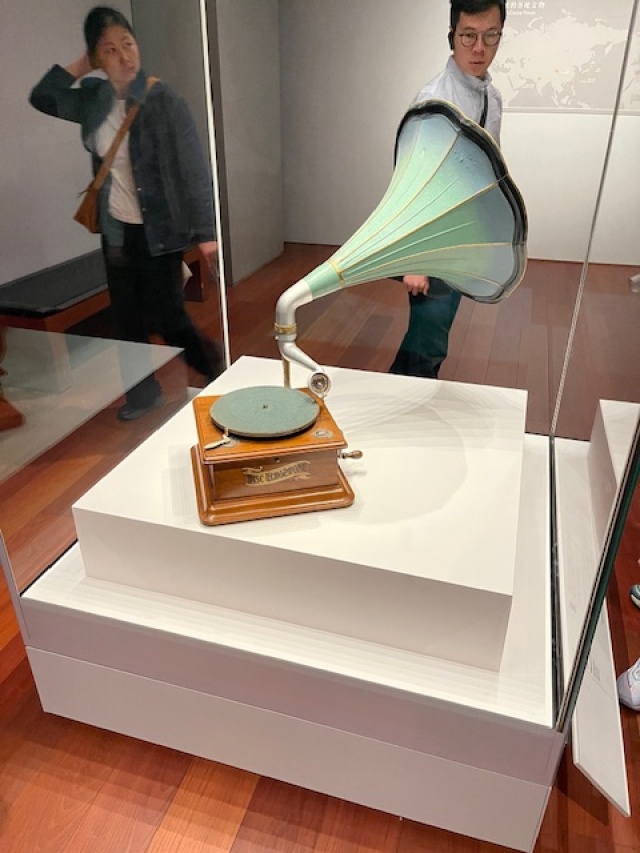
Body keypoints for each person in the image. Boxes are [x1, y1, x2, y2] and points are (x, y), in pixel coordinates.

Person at [30, 6, 223, 420]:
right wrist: (84, 63)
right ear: (97, 57)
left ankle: (216, 373)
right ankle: (142, 395)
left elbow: (194, 169)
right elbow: (43, 97)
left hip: (161, 230)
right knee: (127, 320)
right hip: (116, 231)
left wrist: (206, 234)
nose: (124, 56)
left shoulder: (163, 99)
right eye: (110, 49)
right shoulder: (93, 100)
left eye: (128, 43)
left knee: (170, 317)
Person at [389, 0, 506, 379]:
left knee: (429, 336)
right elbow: (411, 184)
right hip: (433, 239)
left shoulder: (492, 97)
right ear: (452, 36)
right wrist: (415, 261)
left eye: (490, 36)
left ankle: (399, 393)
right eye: (469, 36)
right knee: (430, 342)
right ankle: (409, 403)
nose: (479, 48)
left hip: (464, 234)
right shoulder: (433, 101)